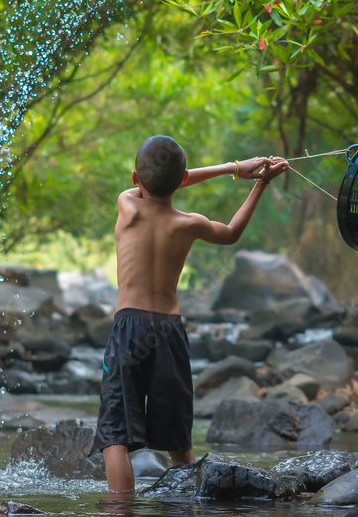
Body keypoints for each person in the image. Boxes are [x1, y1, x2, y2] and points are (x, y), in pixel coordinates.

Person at [94, 135, 288, 492]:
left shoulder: (127, 205)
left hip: (129, 330)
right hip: (168, 331)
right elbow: (231, 233)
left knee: (115, 436)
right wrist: (259, 183)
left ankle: (120, 511)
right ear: (182, 180)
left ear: (136, 179)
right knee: (178, 441)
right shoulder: (189, 223)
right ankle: (183, 503)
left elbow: (165, 179)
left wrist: (231, 169)